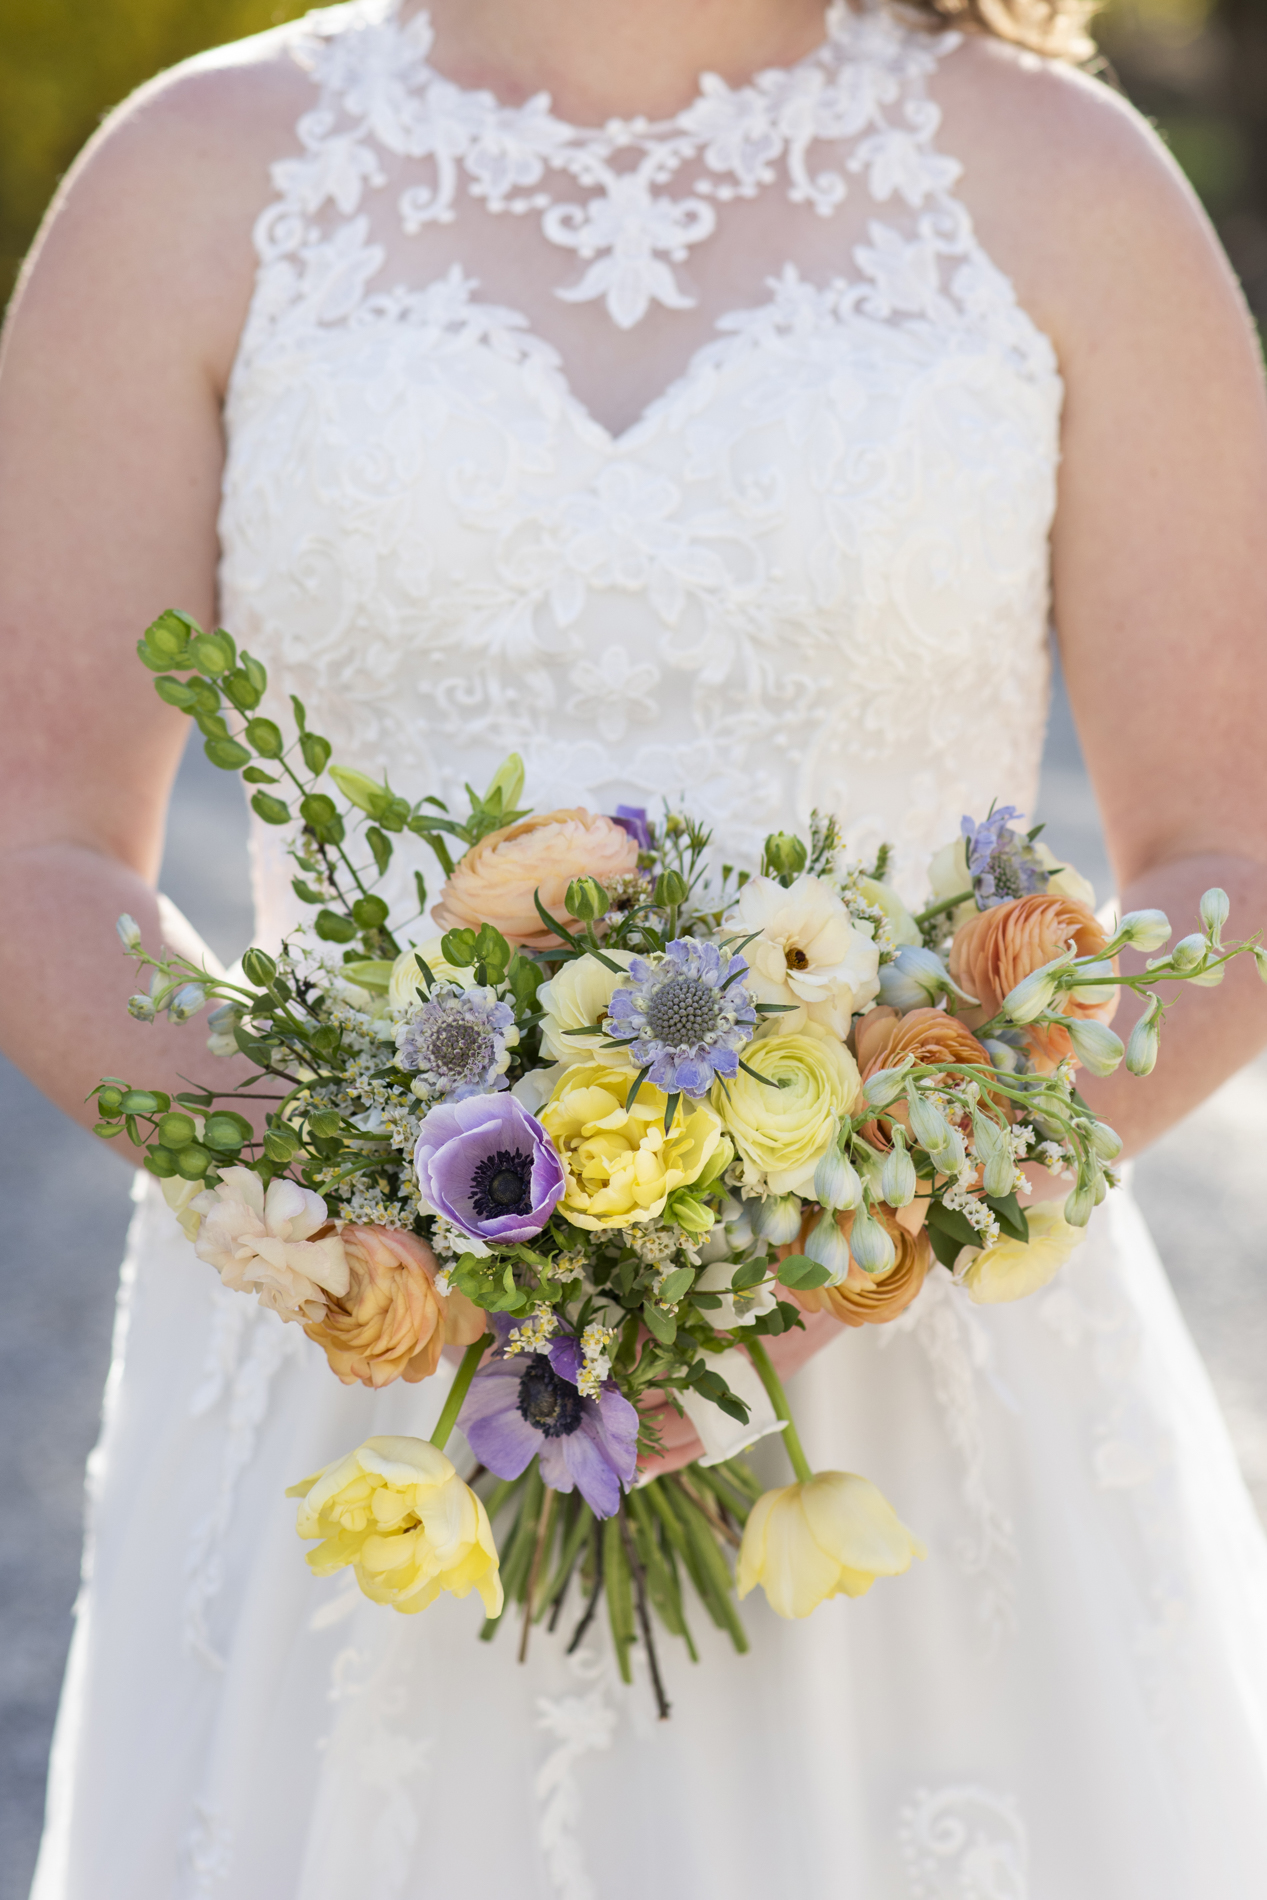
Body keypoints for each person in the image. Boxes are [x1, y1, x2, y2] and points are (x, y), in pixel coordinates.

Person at [3, 0, 1267, 1892]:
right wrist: (376, 1214)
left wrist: (865, 1220)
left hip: (916, 1377)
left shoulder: (1065, 183)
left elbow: (1229, 851)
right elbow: (36, 839)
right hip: (364, 1398)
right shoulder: (193, 176)